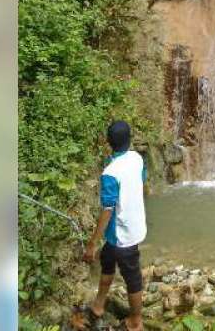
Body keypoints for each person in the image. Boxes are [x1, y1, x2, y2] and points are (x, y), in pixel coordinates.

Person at [82, 121, 148, 331]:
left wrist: (92, 243)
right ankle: (99, 305)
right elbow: (142, 181)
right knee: (107, 260)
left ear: (108, 142)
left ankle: (136, 321)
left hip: (123, 234)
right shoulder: (136, 158)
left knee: (132, 278)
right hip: (126, 229)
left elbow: (107, 210)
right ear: (130, 139)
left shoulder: (110, 173)